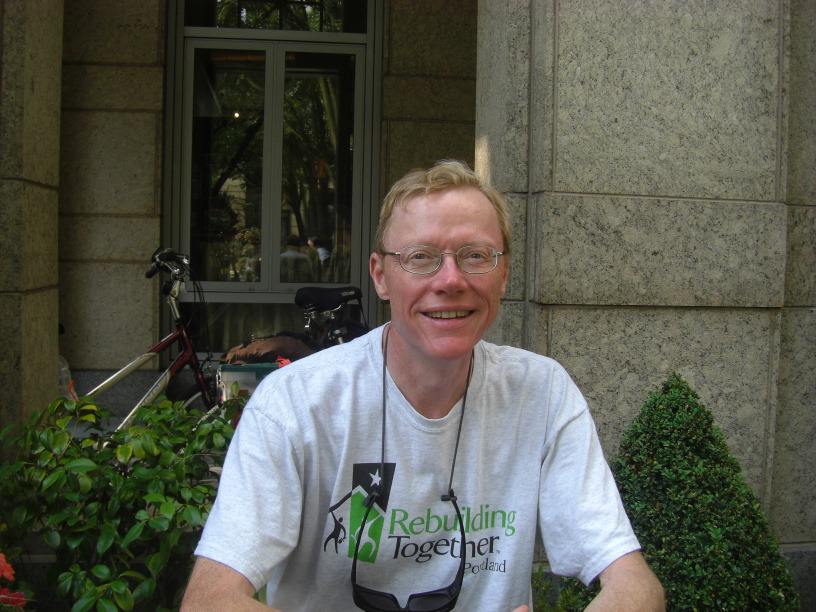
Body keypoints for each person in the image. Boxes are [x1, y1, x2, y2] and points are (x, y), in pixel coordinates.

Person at [181, 160, 664, 611]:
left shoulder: (541, 393)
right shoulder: (296, 404)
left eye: (476, 255)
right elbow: (209, 598)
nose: (451, 279)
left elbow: (636, 585)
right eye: (421, 257)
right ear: (381, 276)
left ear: (504, 272)